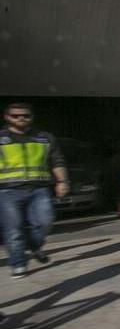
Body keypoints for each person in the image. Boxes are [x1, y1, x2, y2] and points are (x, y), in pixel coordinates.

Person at [0, 103, 68, 278]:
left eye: (25, 115)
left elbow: (56, 161)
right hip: (7, 191)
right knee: (13, 229)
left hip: (39, 189)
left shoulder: (44, 138)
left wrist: (62, 181)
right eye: (15, 116)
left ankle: (34, 245)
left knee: (46, 223)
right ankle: (18, 263)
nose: (21, 118)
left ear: (31, 117)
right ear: (7, 117)